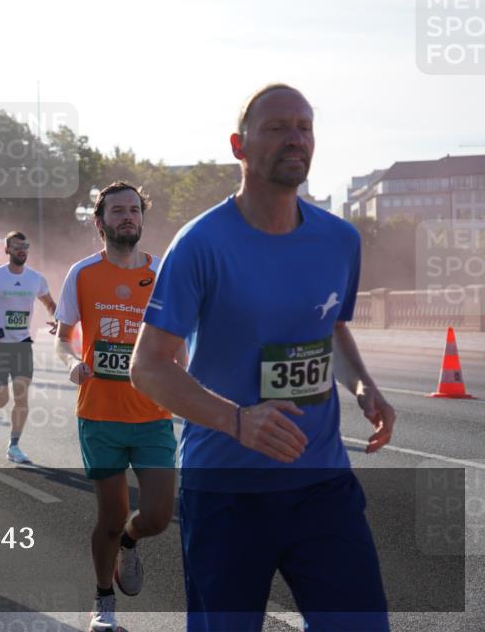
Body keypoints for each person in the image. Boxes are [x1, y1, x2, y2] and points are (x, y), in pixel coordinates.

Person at [130, 84, 394, 632]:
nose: (294, 138)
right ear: (239, 146)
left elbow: (332, 328)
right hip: (226, 489)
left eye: (304, 126)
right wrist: (236, 420)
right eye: (275, 127)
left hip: (323, 485)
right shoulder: (200, 243)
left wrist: (363, 386)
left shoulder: (340, 240)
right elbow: (148, 366)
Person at [55, 182, 178, 632]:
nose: (128, 217)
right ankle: (103, 601)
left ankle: (131, 541)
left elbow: (177, 339)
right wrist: (72, 363)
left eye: (134, 210)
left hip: (153, 416)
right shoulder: (82, 273)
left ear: (142, 219)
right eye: (118, 211)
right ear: (100, 221)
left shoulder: (163, 272)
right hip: (100, 415)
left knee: (161, 515)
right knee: (108, 515)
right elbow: (62, 337)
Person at [0, 232, 57, 464]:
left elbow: (50, 303)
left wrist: (56, 319)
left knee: (21, 397)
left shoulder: (36, 278)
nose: (21, 250)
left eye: (25, 246)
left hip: (22, 345)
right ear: (7, 250)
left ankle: (14, 445)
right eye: (16, 246)